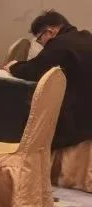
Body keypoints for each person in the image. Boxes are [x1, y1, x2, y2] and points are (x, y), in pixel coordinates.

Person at [10, 10, 92, 150]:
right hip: (87, 122)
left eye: (39, 39)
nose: (42, 44)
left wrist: (13, 66)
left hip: (74, 125)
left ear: (50, 32)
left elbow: (34, 70)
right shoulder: (87, 37)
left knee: (22, 115)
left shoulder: (60, 44)